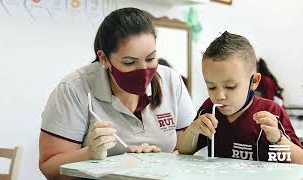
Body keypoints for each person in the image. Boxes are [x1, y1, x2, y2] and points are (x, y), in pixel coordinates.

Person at [39, 7, 196, 179]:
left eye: (150, 59)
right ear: (104, 59)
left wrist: (159, 160)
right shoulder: (73, 89)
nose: (143, 70)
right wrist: (90, 153)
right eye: (129, 62)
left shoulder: (171, 81)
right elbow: (49, 167)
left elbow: (189, 151)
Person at [177, 31, 303, 164]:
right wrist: (193, 131)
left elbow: (300, 162)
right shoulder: (209, 109)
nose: (219, 96)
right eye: (211, 87)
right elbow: (184, 151)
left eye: (230, 86)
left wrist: (278, 139)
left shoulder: (272, 111)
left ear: (254, 81)